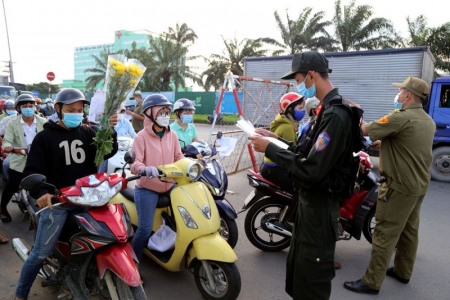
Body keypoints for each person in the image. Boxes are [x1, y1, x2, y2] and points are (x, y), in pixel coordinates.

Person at [248, 51, 354, 300]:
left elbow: (312, 168)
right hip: (307, 207)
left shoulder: (336, 115)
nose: (299, 85)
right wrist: (276, 140)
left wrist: (270, 149)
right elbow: (306, 152)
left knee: (312, 282)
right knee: (300, 275)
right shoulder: (325, 111)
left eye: (299, 79)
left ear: (312, 75)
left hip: (319, 210)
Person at [14, 88, 118, 300]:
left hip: (88, 198)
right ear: (58, 109)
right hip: (59, 203)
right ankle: (20, 294)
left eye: (80, 110)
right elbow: (33, 170)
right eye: (71, 110)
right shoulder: (44, 138)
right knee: (40, 253)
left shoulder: (88, 132)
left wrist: (110, 130)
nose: (77, 114)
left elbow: (107, 151)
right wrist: (43, 192)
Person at [343, 76, 436, 295]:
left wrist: (358, 112)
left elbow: (364, 130)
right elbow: (409, 143)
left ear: (408, 95)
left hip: (398, 187)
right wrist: (385, 141)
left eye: (401, 91)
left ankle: (371, 282)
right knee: (409, 231)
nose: (398, 94)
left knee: (385, 233)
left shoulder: (400, 117)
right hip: (418, 185)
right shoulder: (426, 120)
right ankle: (403, 271)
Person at [130, 94, 183, 263]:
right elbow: (135, 162)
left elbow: (178, 156)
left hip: (170, 185)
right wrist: (144, 169)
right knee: (144, 229)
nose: (166, 116)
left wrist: (192, 163)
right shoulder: (141, 137)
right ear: (150, 113)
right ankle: (132, 262)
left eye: (167, 112)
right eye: (161, 112)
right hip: (147, 188)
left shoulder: (172, 135)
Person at [0, 94, 46, 223]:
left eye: (31, 106)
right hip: (19, 158)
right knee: (12, 184)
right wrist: (9, 147)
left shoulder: (43, 122)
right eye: (24, 106)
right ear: (19, 108)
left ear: (35, 107)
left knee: (46, 183)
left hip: (39, 159)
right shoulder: (12, 123)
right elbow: (7, 140)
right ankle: (2, 208)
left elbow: (49, 138)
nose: (28, 108)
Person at [260, 92, 305, 193]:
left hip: (267, 166)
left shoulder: (283, 122)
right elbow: (291, 156)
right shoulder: (288, 128)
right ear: (290, 109)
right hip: (274, 170)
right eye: (300, 108)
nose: (303, 111)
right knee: (301, 190)